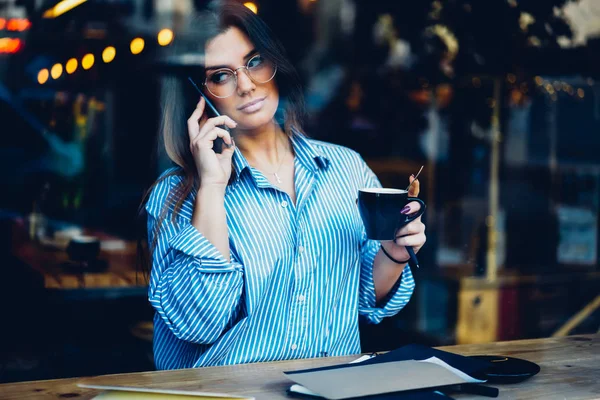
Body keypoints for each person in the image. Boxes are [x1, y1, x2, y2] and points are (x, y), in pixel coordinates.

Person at [142, 1, 426, 370]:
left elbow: (364, 297)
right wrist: (212, 185)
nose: (245, 85)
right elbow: (199, 323)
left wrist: (395, 252)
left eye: (254, 61)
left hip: (333, 389)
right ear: (198, 94)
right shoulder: (176, 198)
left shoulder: (345, 168)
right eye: (221, 75)